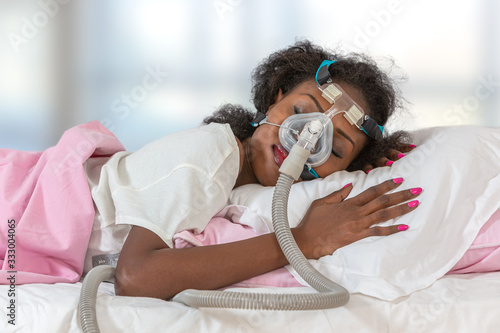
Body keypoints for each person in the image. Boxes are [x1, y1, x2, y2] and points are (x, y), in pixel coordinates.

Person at [104, 40, 422, 300]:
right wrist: (302, 240)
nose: (306, 139)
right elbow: (135, 279)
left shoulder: (245, 187)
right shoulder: (213, 153)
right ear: (273, 99)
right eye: (299, 111)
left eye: (334, 148)